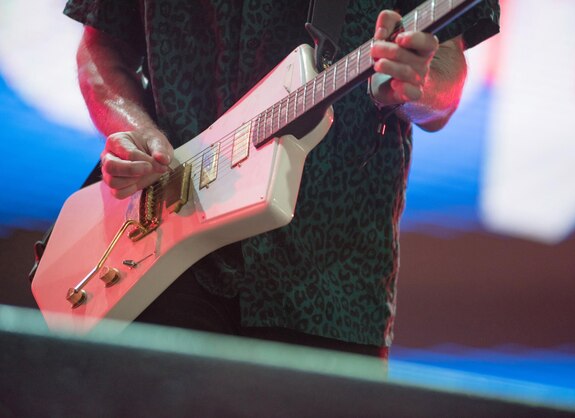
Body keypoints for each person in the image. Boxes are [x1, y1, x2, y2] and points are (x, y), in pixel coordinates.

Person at [63, 0, 499, 359]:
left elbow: (445, 75)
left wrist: (417, 85)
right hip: (161, 259)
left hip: (329, 282)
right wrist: (135, 130)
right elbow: (100, 49)